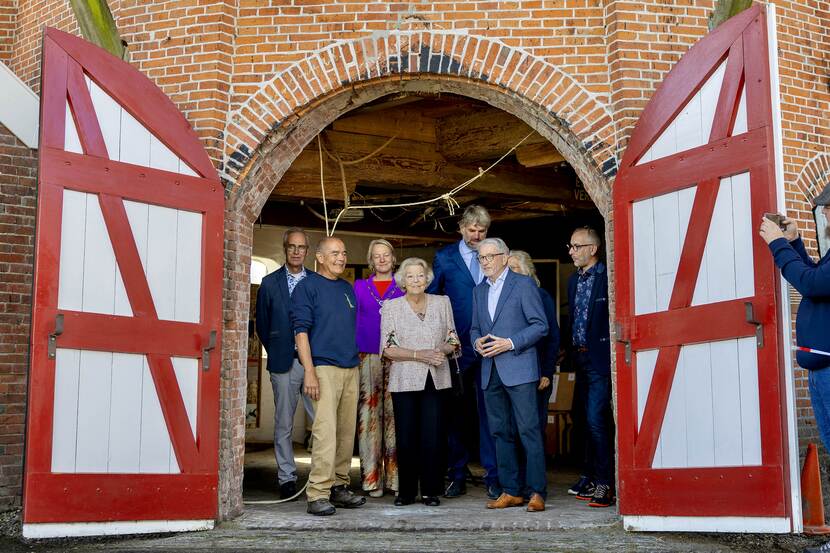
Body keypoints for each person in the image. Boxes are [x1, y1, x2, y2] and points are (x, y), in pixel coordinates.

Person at [760, 193, 830, 553]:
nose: (827, 213)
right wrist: (794, 243)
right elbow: (818, 280)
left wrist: (776, 246)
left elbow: (813, 285)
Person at [427, 204, 500, 499]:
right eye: (472, 230)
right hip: (456, 349)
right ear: (461, 228)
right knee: (455, 416)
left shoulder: (493, 255)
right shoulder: (445, 257)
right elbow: (433, 299)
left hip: (489, 346)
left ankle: (494, 476)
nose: (477, 235)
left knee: (490, 415)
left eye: (482, 230)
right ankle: (456, 474)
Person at [471, 238, 549, 512]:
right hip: (490, 370)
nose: (486, 261)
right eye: (482, 258)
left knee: (529, 431)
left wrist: (511, 342)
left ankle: (537, 491)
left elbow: (541, 326)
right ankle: (511, 490)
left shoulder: (524, 284)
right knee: (500, 433)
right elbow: (474, 328)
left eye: (491, 256)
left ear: (505, 257)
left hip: (519, 368)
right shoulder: (479, 291)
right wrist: (476, 342)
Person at [292, 236, 366, 516]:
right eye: (334, 253)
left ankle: (339, 486)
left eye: (344, 253)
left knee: (346, 433)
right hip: (322, 368)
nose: (341, 257)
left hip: (350, 368)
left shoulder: (347, 289)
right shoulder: (306, 287)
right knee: (325, 433)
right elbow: (301, 332)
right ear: (320, 257)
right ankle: (318, 493)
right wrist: (309, 371)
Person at [380, 257, 459, 507]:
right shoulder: (391, 307)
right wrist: (418, 354)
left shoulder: (442, 302)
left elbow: (454, 340)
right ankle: (405, 492)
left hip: (436, 378)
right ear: (403, 280)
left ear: (428, 279)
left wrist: (442, 350)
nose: (416, 280)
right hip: (404, 380)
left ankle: (430, 491)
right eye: (410, 276)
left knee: (433, 437)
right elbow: (387, 348)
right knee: (406, 438)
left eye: (420, 275)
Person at [255, 227, 316, 500]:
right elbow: (263, 326)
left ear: (307, 251)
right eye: (292, 246)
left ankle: (324, 478)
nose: (296, 251)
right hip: (283, 362)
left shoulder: (317, 282)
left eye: (301, 247)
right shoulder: (269, 283)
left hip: (313, 364)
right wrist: (280, 350)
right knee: (283, 424)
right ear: (285, 248)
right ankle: (287, 478)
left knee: (323, 420)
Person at [566, 226, 615, 508]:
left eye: (576, 246)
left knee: (597, 421)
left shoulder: (608, 277)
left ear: (593, 249)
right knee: (583, 420)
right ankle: (594, 477)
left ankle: (606, 483)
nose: (571, 251)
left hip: (600, 359)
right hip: (580, 359)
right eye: (570, 246)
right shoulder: (574, 281)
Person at [353, 239, 405, 498]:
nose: (382, 259)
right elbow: (352, 322)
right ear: (371, 260)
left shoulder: (404, 286)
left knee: (396, 416)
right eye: (377, 256)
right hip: (368, 356)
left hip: (399, 357)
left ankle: (395, 479)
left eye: (386, 255)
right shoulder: (359, 287)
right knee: (369, 418)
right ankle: (372, 480)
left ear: (393, 258)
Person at [507, 250, 561, 444]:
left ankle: (534, 472)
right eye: (507, 269)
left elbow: (553, 336)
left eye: (513, 268)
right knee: (513, 428)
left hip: (537, 373)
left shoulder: (540, 295)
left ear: (527, 271)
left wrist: (546, 371)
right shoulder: (504, 300)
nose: (509, 274)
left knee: (533, 426)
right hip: (513, 373)